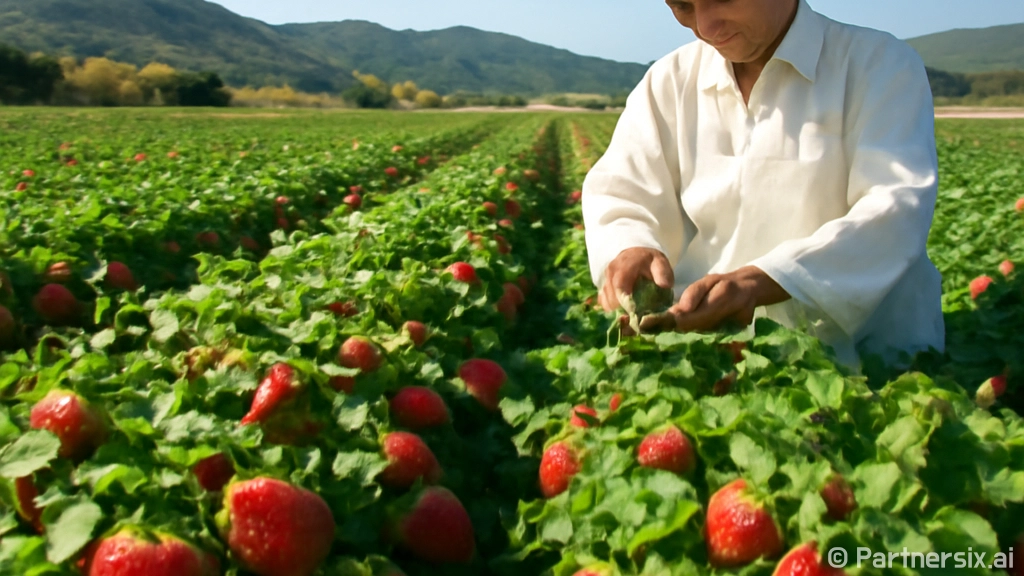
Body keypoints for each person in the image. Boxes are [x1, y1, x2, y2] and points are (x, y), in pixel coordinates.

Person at [582, 0, 945, 367]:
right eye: (683, 6)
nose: (706, 26)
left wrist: (766, 281)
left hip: (865, 357)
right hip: (710, 353)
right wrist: (630, 246)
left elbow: (893, 208)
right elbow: (622, 189)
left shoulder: (878, 65)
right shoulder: (669, 80)